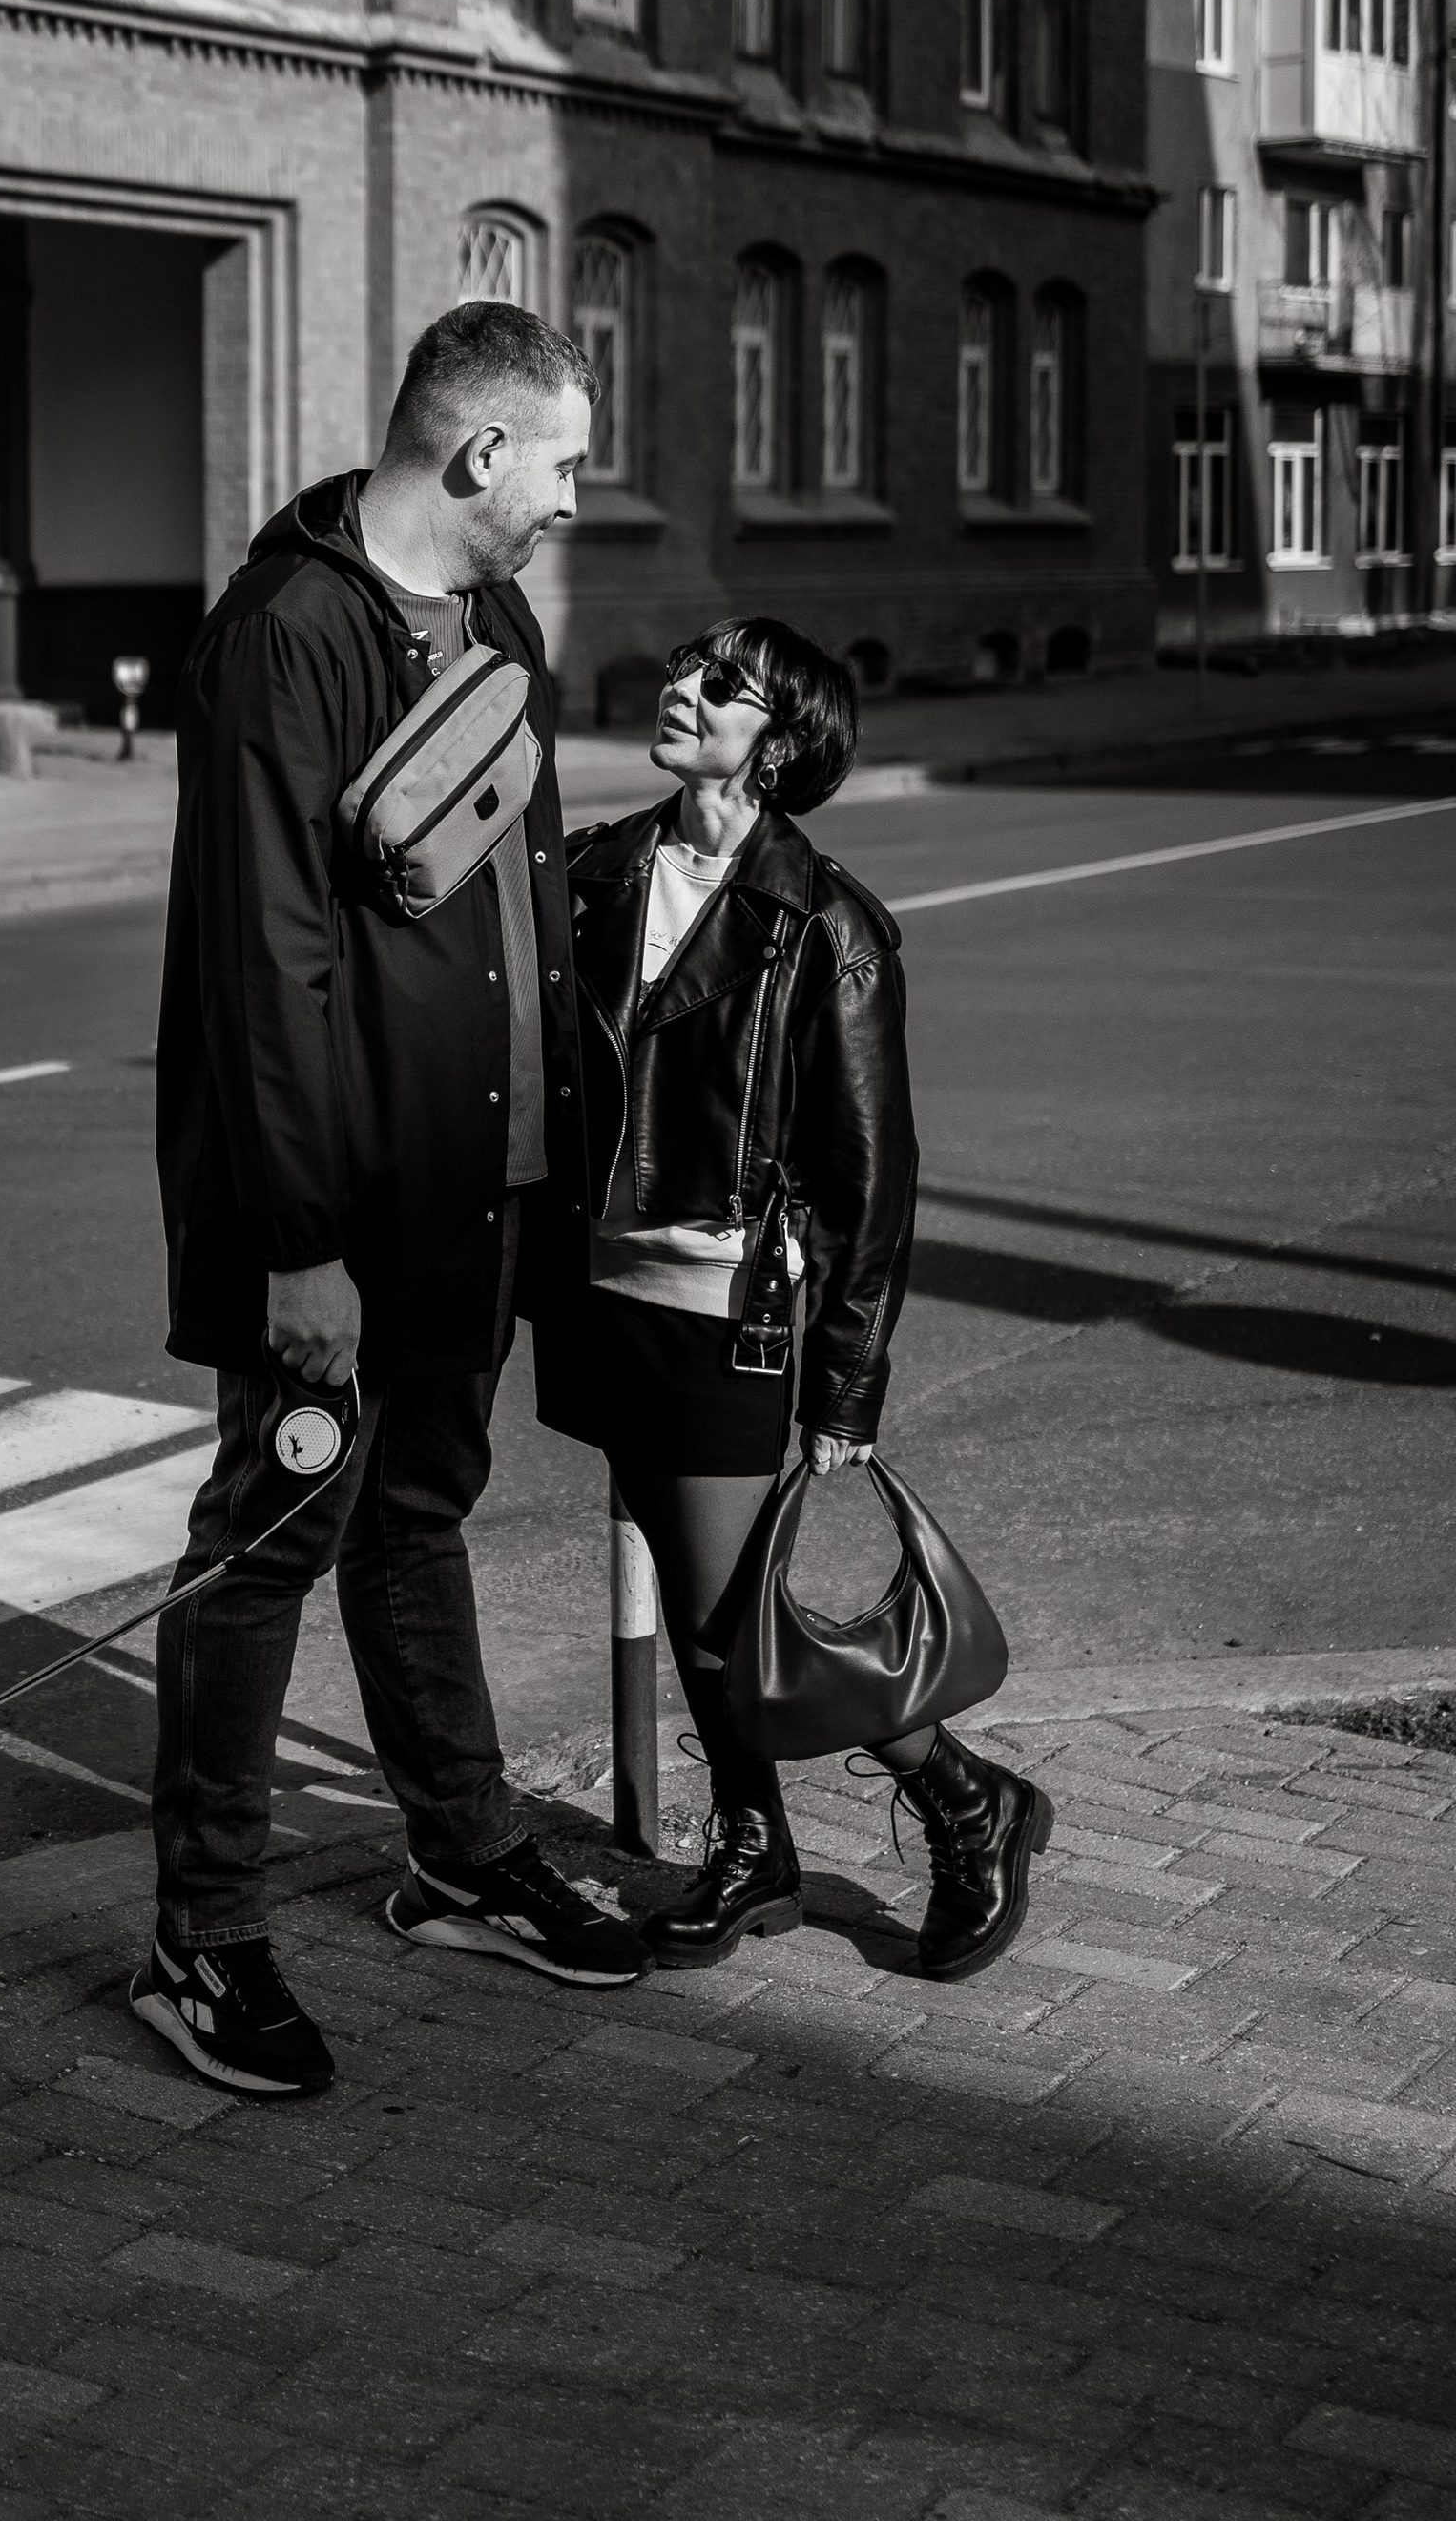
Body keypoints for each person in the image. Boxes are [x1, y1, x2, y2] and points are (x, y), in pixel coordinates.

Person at [137, 302, 646, 2097]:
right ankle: (199, 1938)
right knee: (267, 1543)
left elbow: (506, 883)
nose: (577, 498)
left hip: (479, 1186)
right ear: (481, 453)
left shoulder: (495, 617)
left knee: (418, 1511)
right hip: (337, 1214)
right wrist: (297, 1246)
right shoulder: (283, 640)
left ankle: (454, 1850)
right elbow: (264, 970)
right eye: (565, 463)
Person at [539, 617, 1050, 1980]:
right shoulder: (594, 873)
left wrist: (846, 1385)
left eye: (726, 688)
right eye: (690, 669)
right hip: (598, 1296)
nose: (685, 690)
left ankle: (963, 1797)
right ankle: (756, 1847)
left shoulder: (826, 927)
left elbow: (873, 1181)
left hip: (727, 1313)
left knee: (729, 1621)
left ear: (781, 745)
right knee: (721, 1621)